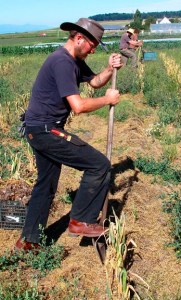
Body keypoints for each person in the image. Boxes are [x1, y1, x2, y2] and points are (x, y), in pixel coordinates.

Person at [15, 18, 122, 251]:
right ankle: (80, 220)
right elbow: (78, 106)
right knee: (99, 164)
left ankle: (29, 242)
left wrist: (109, 68)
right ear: (79, 38)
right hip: (44, 129)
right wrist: (108, 100)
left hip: (40, 129)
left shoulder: (74, 59)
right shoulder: (62, 62)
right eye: (92, 45)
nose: (93, 50)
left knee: (46, 185)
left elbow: (94, 82)